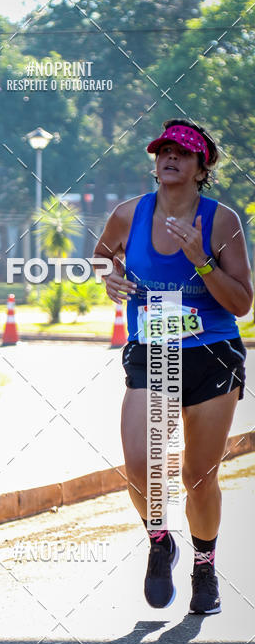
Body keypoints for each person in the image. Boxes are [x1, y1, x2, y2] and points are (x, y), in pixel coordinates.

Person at [95, 119, 252, 614]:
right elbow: (101, 255)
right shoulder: (128, 214)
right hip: (151, 350)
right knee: (140, 466)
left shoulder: (221, 221)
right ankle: (159, 539)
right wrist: (110, 275)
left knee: (197, 477)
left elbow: (242, 302)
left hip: (211, 352)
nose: (170, 158)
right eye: (164, 151)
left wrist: (201, 259)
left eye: (182, 153)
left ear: (201, 168)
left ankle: (204, 566)